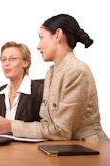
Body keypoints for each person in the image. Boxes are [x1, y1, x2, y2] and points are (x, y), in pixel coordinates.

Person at [11, 14, 109, 142]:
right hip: (67, 148)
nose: (38, 46)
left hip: (90, 150)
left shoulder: (76, 71)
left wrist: (11, 125)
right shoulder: (51, 73)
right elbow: (47, 124)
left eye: (41, 38)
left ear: (57, 35)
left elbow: (61, 131)